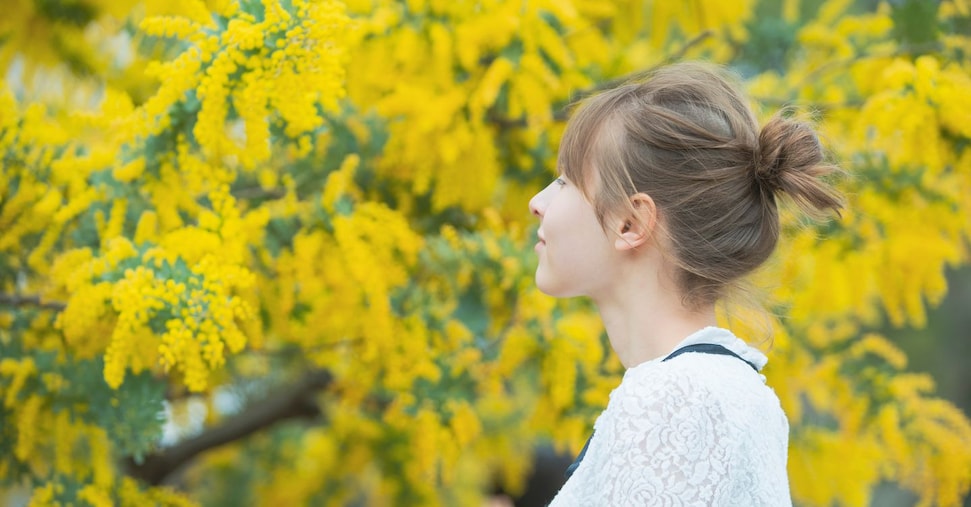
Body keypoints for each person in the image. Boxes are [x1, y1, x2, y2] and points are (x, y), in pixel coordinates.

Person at [528, 62, 844, 506]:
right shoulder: (731, 393)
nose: (537, 202)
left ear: (630, 222)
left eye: (564, 181)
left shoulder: (674, 400)